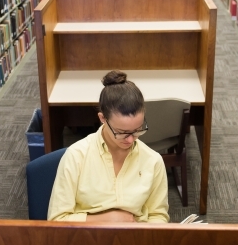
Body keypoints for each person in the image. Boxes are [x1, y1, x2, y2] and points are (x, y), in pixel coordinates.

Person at [47, 70, 170, 223]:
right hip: (87, 238)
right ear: (102, 118)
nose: (131, 140)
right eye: (122, 132)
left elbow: (158, 216)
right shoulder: (76, 156)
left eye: (137, 130)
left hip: (135, 240)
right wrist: (107, 219)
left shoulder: (153, 161)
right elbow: (56, 219)